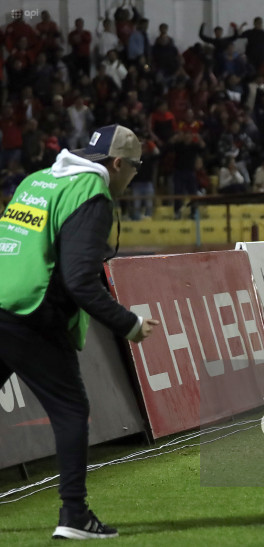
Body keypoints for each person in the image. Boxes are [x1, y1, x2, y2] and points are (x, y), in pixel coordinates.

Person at [0, 125, 160, 539]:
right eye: (136, 167)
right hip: (31, 311)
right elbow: (79, 281)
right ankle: (74, 516)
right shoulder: (91, 194)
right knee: (71, 411)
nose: (135, 177)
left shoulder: (39, 179)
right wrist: (129, 324)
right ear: (119, 164)